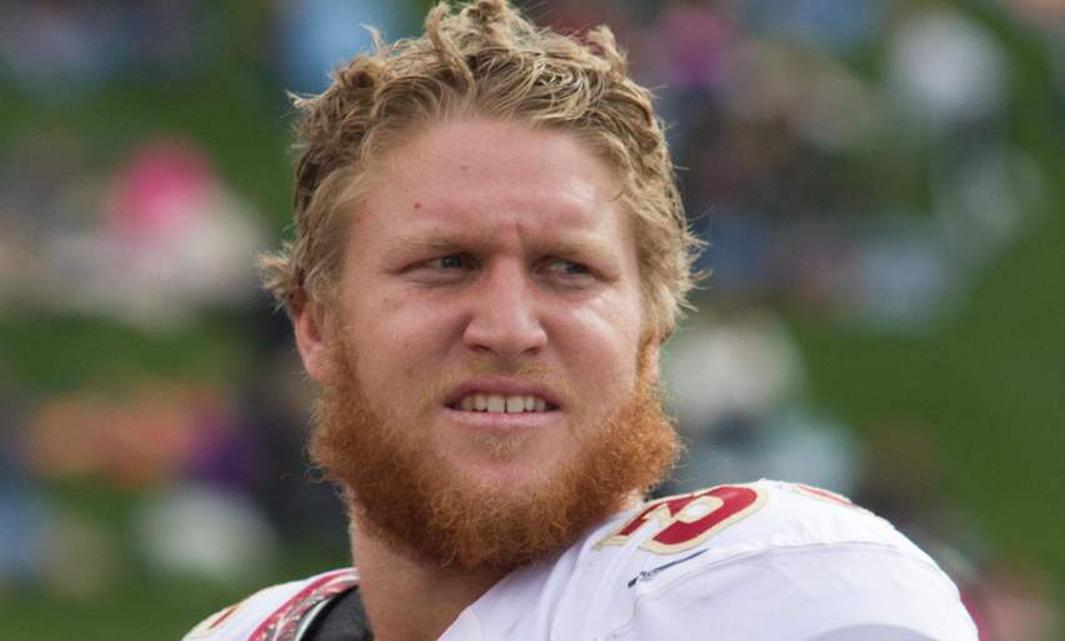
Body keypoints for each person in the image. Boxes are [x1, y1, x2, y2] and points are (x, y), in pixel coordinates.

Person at [183, 1, 979, 639]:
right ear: (316, 327)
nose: (507, 325)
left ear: (650, 336)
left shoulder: (789, 591)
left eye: (569, 269)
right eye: (445, 263)